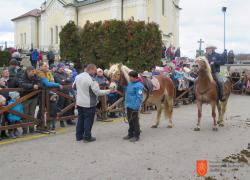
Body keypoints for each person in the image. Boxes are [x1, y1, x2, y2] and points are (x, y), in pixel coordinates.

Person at [74, 64, 112, 143]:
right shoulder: (92, 80)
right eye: (94, 70)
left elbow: (73, 86)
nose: (95, 72)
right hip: (89, 103)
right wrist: (109, 91)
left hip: (79, 102)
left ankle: (79, 136)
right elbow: (98, 92)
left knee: (80, 119)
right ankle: (87, 137)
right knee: (89, 120)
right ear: (90, 69)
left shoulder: (78, 76)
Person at [123, 71, 144, 142]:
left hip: (134, 106)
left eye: (130, 77)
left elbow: (139, 97)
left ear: (134, 77)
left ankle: (136, 135)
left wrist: (136, 107)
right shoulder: (130, 84)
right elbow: (127, 94)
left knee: (135, 121)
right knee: (130, 121)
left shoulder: (139, 85)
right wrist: (125, 104)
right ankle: (130, 134)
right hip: (128, 105)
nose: (129, 78)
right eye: (129, 76)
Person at [20, 66, 41, 134]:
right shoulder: (22, 76)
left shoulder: (34, 76)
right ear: (28, 71)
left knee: (32, 113)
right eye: (32, 71)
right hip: (25, 97)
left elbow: (39, 82)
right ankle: (25, 130)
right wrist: (32, 86)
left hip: (34, 97)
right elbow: (22, 84)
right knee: (25, 114)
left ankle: (31, 128)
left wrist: (37, 85)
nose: (34, 73)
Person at [54, 63, 74, 127]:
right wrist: (66, 80)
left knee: (68, 106)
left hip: (67, 92)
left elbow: (70, 80)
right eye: (61, 67)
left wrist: (65, 80)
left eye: (63, 67)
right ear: (58, 68)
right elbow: (60, 82)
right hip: (60, 92)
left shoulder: (65, 73)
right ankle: (61, 121)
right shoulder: (56, 74)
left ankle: (68, 120)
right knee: (60, 107)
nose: (63, 69)